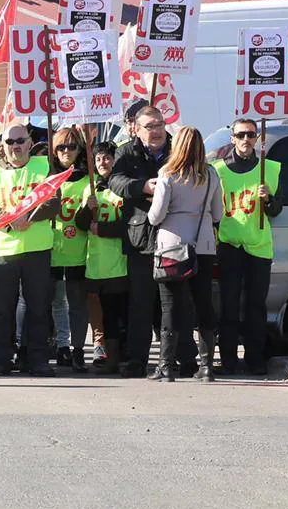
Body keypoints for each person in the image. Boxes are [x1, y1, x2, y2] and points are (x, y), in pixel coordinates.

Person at [0, 122, 62, 377]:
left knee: (38, 307)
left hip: (38, 248)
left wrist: (29, 217)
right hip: (4, 249)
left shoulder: (43, 166)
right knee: (2, 308)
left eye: (21, 141)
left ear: (29, 141)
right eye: (10, 142)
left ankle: (37, 360)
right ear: (2, 145)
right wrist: (8, 218)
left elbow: (54, 201)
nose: (16, 146)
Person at [147, 126, 223, 382]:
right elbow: (219, 214)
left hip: (172, 246)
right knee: (203, 303)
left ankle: (166, 366)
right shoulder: (211, 174)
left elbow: (156, 216)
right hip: (203, 245)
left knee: (171, 306)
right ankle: (206, 366)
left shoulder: (167, 174)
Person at [212, 118, 282, 375]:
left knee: (256, 305)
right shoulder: (218, 170)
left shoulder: (268, 169)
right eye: (240, 135)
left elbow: (276, 210)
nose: (245, 140)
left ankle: (255, 358)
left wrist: (269, 199)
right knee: (229, 305)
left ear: (257, 138)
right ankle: (228, 359)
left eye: (251, 135)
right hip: (230, 245)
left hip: (259, 246)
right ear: (232, 138)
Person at [108, 108, 171, 377]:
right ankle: (137, 360)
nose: (155, 130)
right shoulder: (126, 152)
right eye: (149, 126)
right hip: (140, 237)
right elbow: (115, 181)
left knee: (173, 304)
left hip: (173, 234)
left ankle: (176, 358)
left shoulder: (176, 148)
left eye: (159, 124)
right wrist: (144, 187)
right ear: (136, 128)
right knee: (141, 304)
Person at [48, 126, 94, 372]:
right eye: (61, 147)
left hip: (79, 251)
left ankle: (78, 349)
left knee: (77, 304)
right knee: (57, 302)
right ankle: (62, 345)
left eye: (71, 146)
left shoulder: (88, 181)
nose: (66, 151)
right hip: (53, 250)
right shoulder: (48, 178)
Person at [84, 141, 128, 373]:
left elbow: (131, 224)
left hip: (120, 262)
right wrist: (86, 208)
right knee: (107, 313)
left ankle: (124, 355)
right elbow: (83, 225)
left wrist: (103, 229)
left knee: (122, 312)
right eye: (98, 158)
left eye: (107, 157)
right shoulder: (91, 188)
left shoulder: (123, 187)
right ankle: (111, 358)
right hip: (98, 263)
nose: (103, 162)